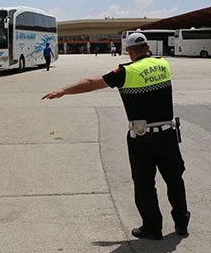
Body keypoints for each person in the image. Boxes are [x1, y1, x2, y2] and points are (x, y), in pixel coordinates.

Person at [42, 32, 190, 240]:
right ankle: (182, 224)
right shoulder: (163, 64)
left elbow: (92, 82)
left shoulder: (125, 72)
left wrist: (63, 91)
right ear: (147, 48)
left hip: (143, 137)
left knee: (145, 184)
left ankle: (152, 227)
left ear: (129, 51)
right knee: (175, 179)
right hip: (168, 134)